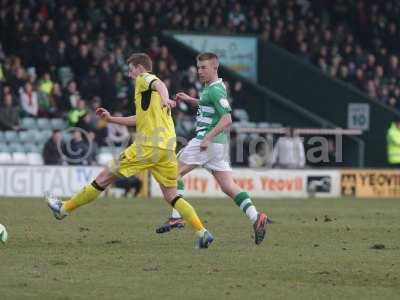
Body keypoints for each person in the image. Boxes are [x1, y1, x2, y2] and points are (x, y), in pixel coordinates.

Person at [46, 53, 213, 248]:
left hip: (147, 146)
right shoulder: (149, 96)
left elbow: (159, 84)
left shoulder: (144, 79)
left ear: (140, 68)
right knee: (172, 195)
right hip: (167, 147)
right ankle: (202, 232)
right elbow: (138, 119)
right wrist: (111, 119)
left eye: (131, 69)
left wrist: (166, 98)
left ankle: (63, 209)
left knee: (104, 177)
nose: (129, 73)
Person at [155, 52, 269, 245]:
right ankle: (256, 217)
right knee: (228, 186)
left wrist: (207, 138)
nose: (200, 71)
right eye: (198, 67)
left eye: (204, 68)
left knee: (170, 174)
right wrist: (192, 100)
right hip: (218, 146)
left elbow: (227, 118)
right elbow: (211, 107)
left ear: (215, 68)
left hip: (205, 143)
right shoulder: (211, 88)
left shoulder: (216, 89)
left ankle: (176, 216)